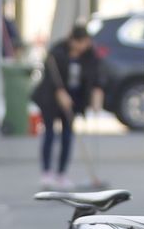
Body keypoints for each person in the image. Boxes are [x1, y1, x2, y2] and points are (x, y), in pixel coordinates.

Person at [33, 23, 103, 186]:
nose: (84, 46)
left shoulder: (90, 55)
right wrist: (60, 92)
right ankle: (46, 172)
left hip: (74, 100)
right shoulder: (57, 53)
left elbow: (96, 76)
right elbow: (51, 77)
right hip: (51, 99)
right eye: (81, 42)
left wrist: (97, 92)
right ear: (73, 41)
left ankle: (61, 174)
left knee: (67, 136)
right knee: (49, 133)